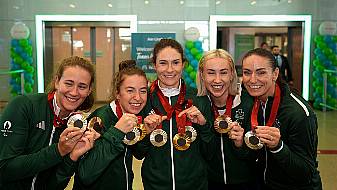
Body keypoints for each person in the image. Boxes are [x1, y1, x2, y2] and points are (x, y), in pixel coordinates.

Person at [0, 56, 97, 189]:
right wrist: (58, 150)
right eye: (68, 83)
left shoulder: (75, 126)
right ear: (57, 81)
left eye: (82, 86)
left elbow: (55, 185)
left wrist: (72, 158)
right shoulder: (24, 106)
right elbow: (5, 168)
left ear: (89, 90)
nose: (74, 92)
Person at [132, 38, 214, 190]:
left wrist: (204, 125)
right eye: (163, 63)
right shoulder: (144, 100)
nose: (170, 70)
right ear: (154, 65)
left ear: (183, 65)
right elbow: (138, 153)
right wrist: (145, 130)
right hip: (155, 184)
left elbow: (210, 153)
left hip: (194, 184)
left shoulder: (199, 98)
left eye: (175, 62)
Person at [241, 48, 322, 190]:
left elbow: (306, 172)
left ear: (275, 74)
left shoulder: (299, 113)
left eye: (261, 72)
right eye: (247, 72)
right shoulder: (253, 101)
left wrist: (278, 147)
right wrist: (240, 143)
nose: (252, 79)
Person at [73, 60, 150, 190]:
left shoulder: (130, 116)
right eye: (130, 90)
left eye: (143, 91)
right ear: (117, 93)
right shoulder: (98, 120)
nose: (138, 97)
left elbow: (138, 153)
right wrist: (117, 132)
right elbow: (86, 174)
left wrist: (146, 132)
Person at [196, 49, 258, 190]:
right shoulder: (198, 106)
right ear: (202, 75)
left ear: (231, 75)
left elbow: (258, 154)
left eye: (223, 72)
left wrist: (241, 144)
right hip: (209, 182)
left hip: (246, 182)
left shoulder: (249, 102)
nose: (217, 80)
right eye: (211, 72)